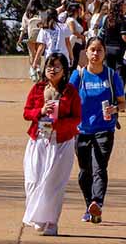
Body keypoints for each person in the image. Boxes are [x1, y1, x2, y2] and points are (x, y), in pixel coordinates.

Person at [22, 53, 82, 236]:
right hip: (38, 139)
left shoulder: (70, 92)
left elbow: (77, 118)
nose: (52, 69)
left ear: (64, 71)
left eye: (56, 66)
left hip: (61, 142)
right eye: (49, 65)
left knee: (53, 184)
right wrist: (39, 111)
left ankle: (51, 222)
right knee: (33, 180)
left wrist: (58, 124)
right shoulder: (38, 88)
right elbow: (26, 112)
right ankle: (37, 217)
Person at [69, 37, 125, 225]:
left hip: (105, 129)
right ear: (86, 52)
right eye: (92, 50)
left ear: (104, 53)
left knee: (99, 168)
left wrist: (114, 109)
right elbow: (67, 98)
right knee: (85, 170)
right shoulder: (79, 76)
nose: (95, 54)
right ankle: (89, 207)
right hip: (82, 129)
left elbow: (122, 103)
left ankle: (97, 202)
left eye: (99, 50)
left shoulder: (111, 75)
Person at [21, 0, 44, 80]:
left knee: (32, 53)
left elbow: (23, 28)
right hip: (40, 35)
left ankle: (33, 71)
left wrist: (20, 39)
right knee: (38, 53)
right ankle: (38, 67)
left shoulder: (26, 14)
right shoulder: (42, 13)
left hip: (31, 36)